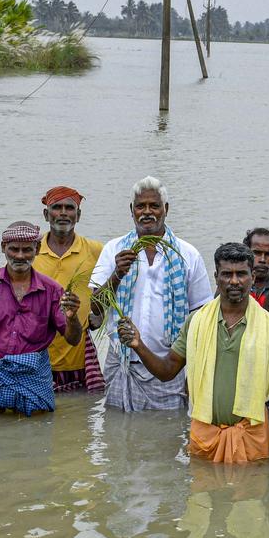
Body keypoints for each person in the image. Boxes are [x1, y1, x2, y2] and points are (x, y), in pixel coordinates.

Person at [116, 242, 269, 463]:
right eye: (227, 274)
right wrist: (138, 345)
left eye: (241, 274)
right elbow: (167, 371)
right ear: (216, 277)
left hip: (252, 433)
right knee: (202, 494)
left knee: (253, 494)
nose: (234, 281)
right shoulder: (197, 322)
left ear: (252, 277)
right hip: (205, 435)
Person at [0, 186, 105, 393]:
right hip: (30, 355)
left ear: (78, 215)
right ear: (46, 214)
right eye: (57, 207)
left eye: (69, 208)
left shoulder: (94, 251)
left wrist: (100, 314)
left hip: (72, 350)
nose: (63, 213)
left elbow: (108, 290)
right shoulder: (28, 246)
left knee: (75, 413)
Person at [89, 177, 213, 412]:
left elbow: (200, 318)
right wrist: (117, 274)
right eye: (140, 206)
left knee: (165, 438)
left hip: (169, 366)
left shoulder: (188, 254)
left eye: (154, 206)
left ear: (165, 209)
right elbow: (96, 308)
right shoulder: (114, 250)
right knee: (116, 436)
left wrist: (194, 371)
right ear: (132, 211)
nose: (147, 212)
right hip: (121, 363)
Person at [0, 222, 82, 416]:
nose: (20, 256)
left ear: (37, 250)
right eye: (14, 249)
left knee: (39, 427)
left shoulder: (52, 290)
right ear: (3, 248)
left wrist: (72, 318)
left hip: (33, 372)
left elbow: (73, 339)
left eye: (27, 250)